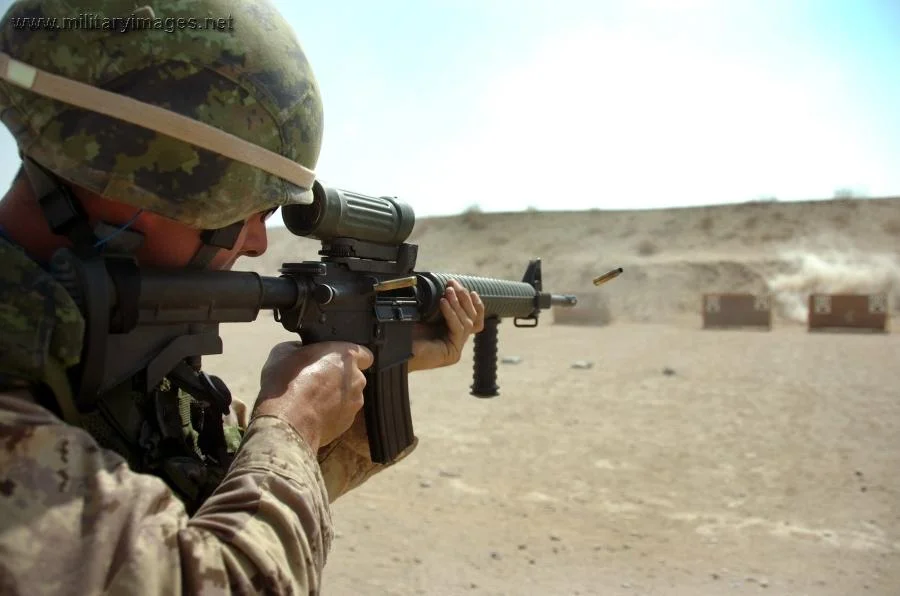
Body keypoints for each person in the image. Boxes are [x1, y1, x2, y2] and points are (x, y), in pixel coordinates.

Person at [0, 0, 486, 593]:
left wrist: (362, 398)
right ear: (142, 181)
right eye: (250, 208)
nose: (258, 242)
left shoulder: (87, 359)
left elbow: (221, 505)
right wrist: (293, 423)